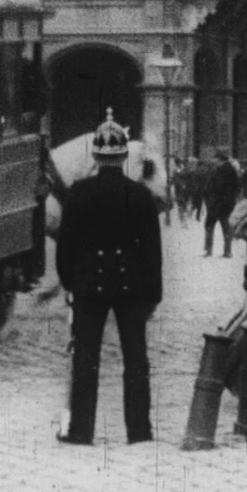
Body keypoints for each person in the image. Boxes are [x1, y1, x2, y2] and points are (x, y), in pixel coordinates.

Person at [54, 114, 162, 446]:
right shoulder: (141, 196)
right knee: (136, 360)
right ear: (123, 156)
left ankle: (81, 430)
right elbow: (153, 252)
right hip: (131, 289)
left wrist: (71, 283)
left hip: (90, 286)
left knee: (86, 358)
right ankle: (139, 431)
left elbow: (65, 246)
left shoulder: (79, 193)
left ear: (97, 157)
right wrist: (153, 295)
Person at [203, 149, 240, 258]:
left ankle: (208, 250)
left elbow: (216, 187)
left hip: (216, 204)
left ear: (219, 159)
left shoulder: (218, 171)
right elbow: (237, 186)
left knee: (209, 226)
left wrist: (210, 200)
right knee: (226, 228)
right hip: (227, 204)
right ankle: (227, 251)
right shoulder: (232, 170)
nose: (212, 160)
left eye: (214, 158)